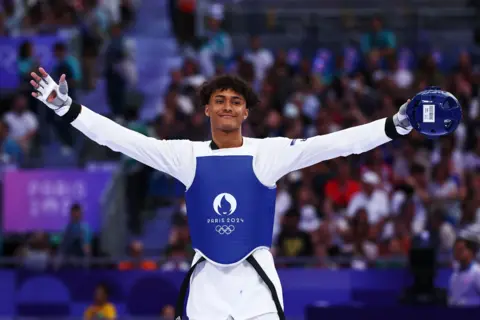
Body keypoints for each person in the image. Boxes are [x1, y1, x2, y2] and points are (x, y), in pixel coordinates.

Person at [30, 67, 413, 320]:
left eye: (235, 101)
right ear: (207, 111)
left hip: (257, 286)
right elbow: (122, 140)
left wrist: (394, 126)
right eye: (219, 100)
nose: (227, 107)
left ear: (246, 112)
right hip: (206, 289)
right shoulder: (185, 155)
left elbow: (335, 144)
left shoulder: (269, 152)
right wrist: (67, 109)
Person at [448, 226, 480, 306]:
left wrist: (465, 303)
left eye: (461, 250)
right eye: (455, 250)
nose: (457, 253)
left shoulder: (477, 272)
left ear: (471, 251)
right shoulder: (454, 275)